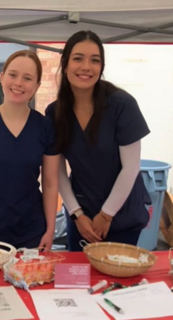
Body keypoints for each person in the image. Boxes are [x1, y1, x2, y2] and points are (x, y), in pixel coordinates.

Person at [45, 30, 151, 252]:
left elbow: (131, 167)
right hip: (81, 216)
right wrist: (76, 213)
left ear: (101, 67)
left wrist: (106, 214)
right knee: (79, 281)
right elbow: (58, 169)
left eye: (95, 60)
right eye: (78, 59)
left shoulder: (122, 105)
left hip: (123, 214)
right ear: (65, 64)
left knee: (119, 281)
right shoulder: (55, 112)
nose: (86, 67)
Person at [0, 50, 59, 249]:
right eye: (13, 75)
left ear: (37, 86)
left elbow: (50, 183)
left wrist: (50, 230)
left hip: (33, 230)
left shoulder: (45, 127)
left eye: (27, 78)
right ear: (2, 77)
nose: (18, 83)